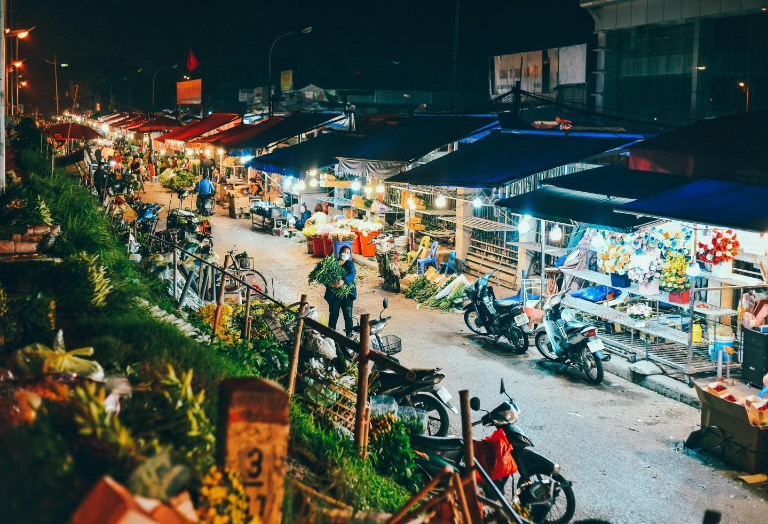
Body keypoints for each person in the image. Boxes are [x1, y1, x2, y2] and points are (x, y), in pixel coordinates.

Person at [324, 245, 357, 337]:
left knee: (348, 316)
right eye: (344, 252)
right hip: (334, 295)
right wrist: (331, 284)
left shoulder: (350, 264)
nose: (345, 254)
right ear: (339, 253)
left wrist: (343, 281)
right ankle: (330, 336)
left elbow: (352, 274)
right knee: (333, 316)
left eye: (348, 253)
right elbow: (325, 278)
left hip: (347, 294)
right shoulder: (331, 264)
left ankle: (349, 336)